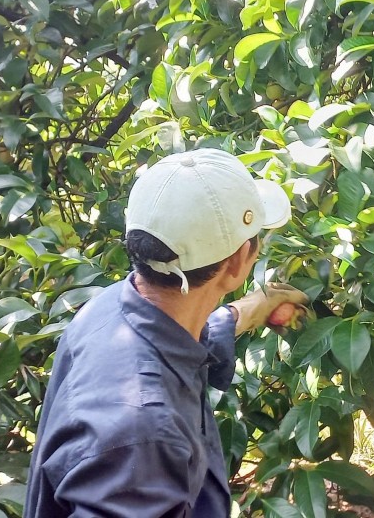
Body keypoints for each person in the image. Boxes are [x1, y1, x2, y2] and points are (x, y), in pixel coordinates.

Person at [24, 148, 308, 517]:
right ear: (239, 262)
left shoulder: (108, 309)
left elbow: (170, 344)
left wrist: (239, 314)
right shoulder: (143, 431)